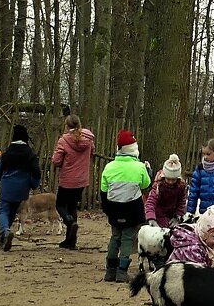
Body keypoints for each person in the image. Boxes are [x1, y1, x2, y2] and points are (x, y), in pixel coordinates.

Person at [100, 130, 151, 282]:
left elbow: (104, 190)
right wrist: (148, 170)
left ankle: (110, 271)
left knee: (115, 237)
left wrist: (107, 208)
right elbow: (146, 184)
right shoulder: (140, 167)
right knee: (127, 238)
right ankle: (122, 271)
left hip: (114, 209)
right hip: (132, 209)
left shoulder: (109, 167)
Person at [51, 114, 95, 249]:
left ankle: (70, 223)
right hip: (82, 180)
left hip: (67, 179)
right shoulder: (88, 140)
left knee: (60, 205)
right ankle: (71, 241)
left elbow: (56, 160)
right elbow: (92, 153)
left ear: (67, 125)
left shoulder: (64, 140)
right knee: (72, 206)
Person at [0, 125, 42, 251]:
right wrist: (33, 184)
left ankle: (5, 231)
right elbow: (37, 172)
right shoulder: (30, 153)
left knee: (3, 210)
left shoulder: (7, 153)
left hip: (7, 185)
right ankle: (2, 239)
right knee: (12, 212)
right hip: (22, 188)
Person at [145, 154, 188, 227]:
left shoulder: (181, 186)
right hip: (158, 215)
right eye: (168, 179)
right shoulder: (158, 186)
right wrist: (151, 218)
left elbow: (182, 202)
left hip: (172, 215)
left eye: (173, 179)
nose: (170, 182)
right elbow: (151, 201)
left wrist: (177, 216)